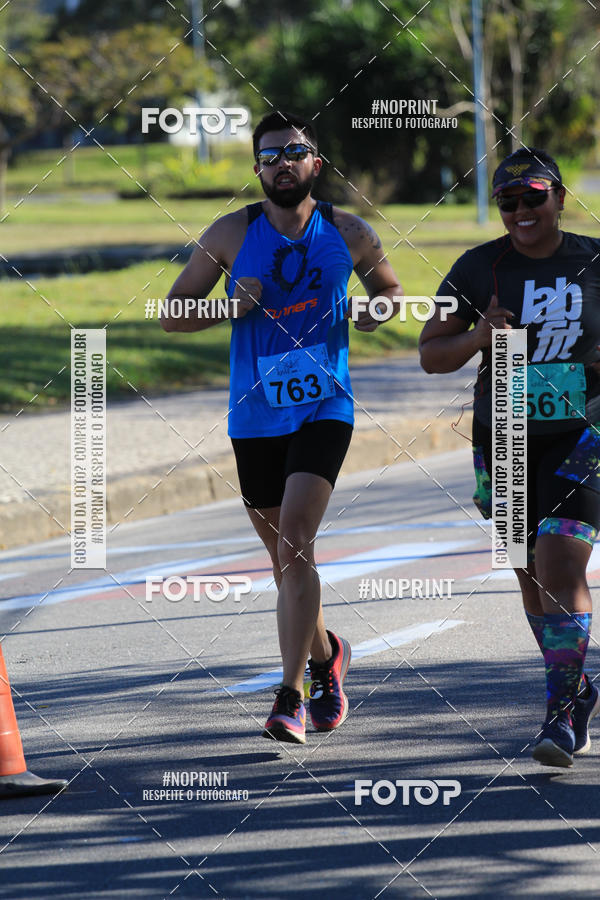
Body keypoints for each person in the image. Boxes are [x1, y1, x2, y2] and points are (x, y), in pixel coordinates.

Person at [162, 111, 403, 743]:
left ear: (315, 164)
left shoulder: (347, 230)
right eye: (271, 156)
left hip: (325, 405)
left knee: (296, 540)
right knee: (285, 562)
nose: (283, 163)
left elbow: (390, 289)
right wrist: (227, 307)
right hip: (256, 416)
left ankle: (289, 696)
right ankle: (327, 659)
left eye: (295, 152)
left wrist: (377, 311)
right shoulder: (229, 234)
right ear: (258, 169)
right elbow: (171, 315)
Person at [419, 146, 600, 768]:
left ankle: (561, 707)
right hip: (507, 432)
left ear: (559, 197)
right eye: (509, 202)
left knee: (559, 561)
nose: (522, 211)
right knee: (527, 567)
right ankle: (574, 684)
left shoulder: (594, 258)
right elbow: (431, 353)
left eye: (534, 197)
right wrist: (478, 336)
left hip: (588, 431)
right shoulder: (475, 268)